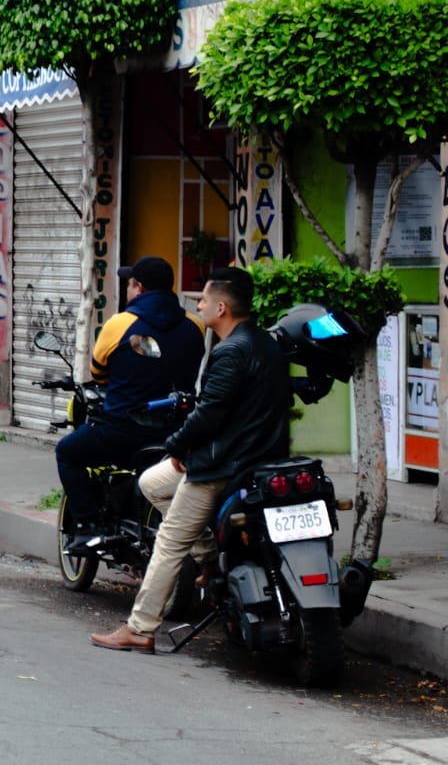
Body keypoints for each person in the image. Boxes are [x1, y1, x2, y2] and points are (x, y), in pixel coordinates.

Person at [91, 266, 292, 653]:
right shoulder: (266, 343)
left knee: (169, 541)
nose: (196, 304)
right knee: (151, 483)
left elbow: (210, 414)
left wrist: (178, 446)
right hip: (258, 457)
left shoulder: (230, 350)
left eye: (201, 299)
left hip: (222, 465)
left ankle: (140, 627)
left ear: (221, 307)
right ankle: (211, 560)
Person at [58, 256, 206, 553]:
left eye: (129, 283)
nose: (128, 288)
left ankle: (88, 527)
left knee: (68, 452)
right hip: (175, 433)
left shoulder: (120, 324)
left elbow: (99, 371)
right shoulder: (195, 325)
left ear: (138, 288)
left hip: (121, 430)